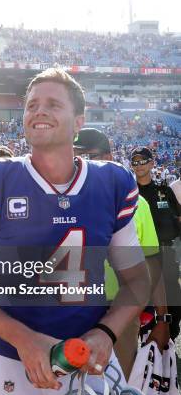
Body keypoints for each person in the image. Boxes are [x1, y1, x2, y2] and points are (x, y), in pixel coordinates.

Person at [0, 68, 149, 395]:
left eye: (53, 104)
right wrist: (25, 339)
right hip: (15, 362)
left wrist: (106, 333)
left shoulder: (112, 182)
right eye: (31, 105)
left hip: (88, 358)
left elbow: (138, 278)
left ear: (79, 122)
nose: (39, 111)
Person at [73, 128, 169, 379]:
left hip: (120, 311)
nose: (80, 163)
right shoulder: (57, 200)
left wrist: (163, 319)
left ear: (108, 157)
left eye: (89, 156)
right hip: (70, 310)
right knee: (67, 392)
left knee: (117, 388)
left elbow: (152, 263)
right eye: (75, 156)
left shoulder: (137, 203)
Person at [130, 146, 181, 342]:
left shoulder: (164, 190)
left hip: (166, 253)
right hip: (141, 256)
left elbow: (176, 220)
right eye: (135, 161)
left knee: (173, 297)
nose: (139, 165)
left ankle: (171, 333)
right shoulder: (129, 193)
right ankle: (144, 337)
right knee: (143, 298)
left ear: (152, 163)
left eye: (143, 160)